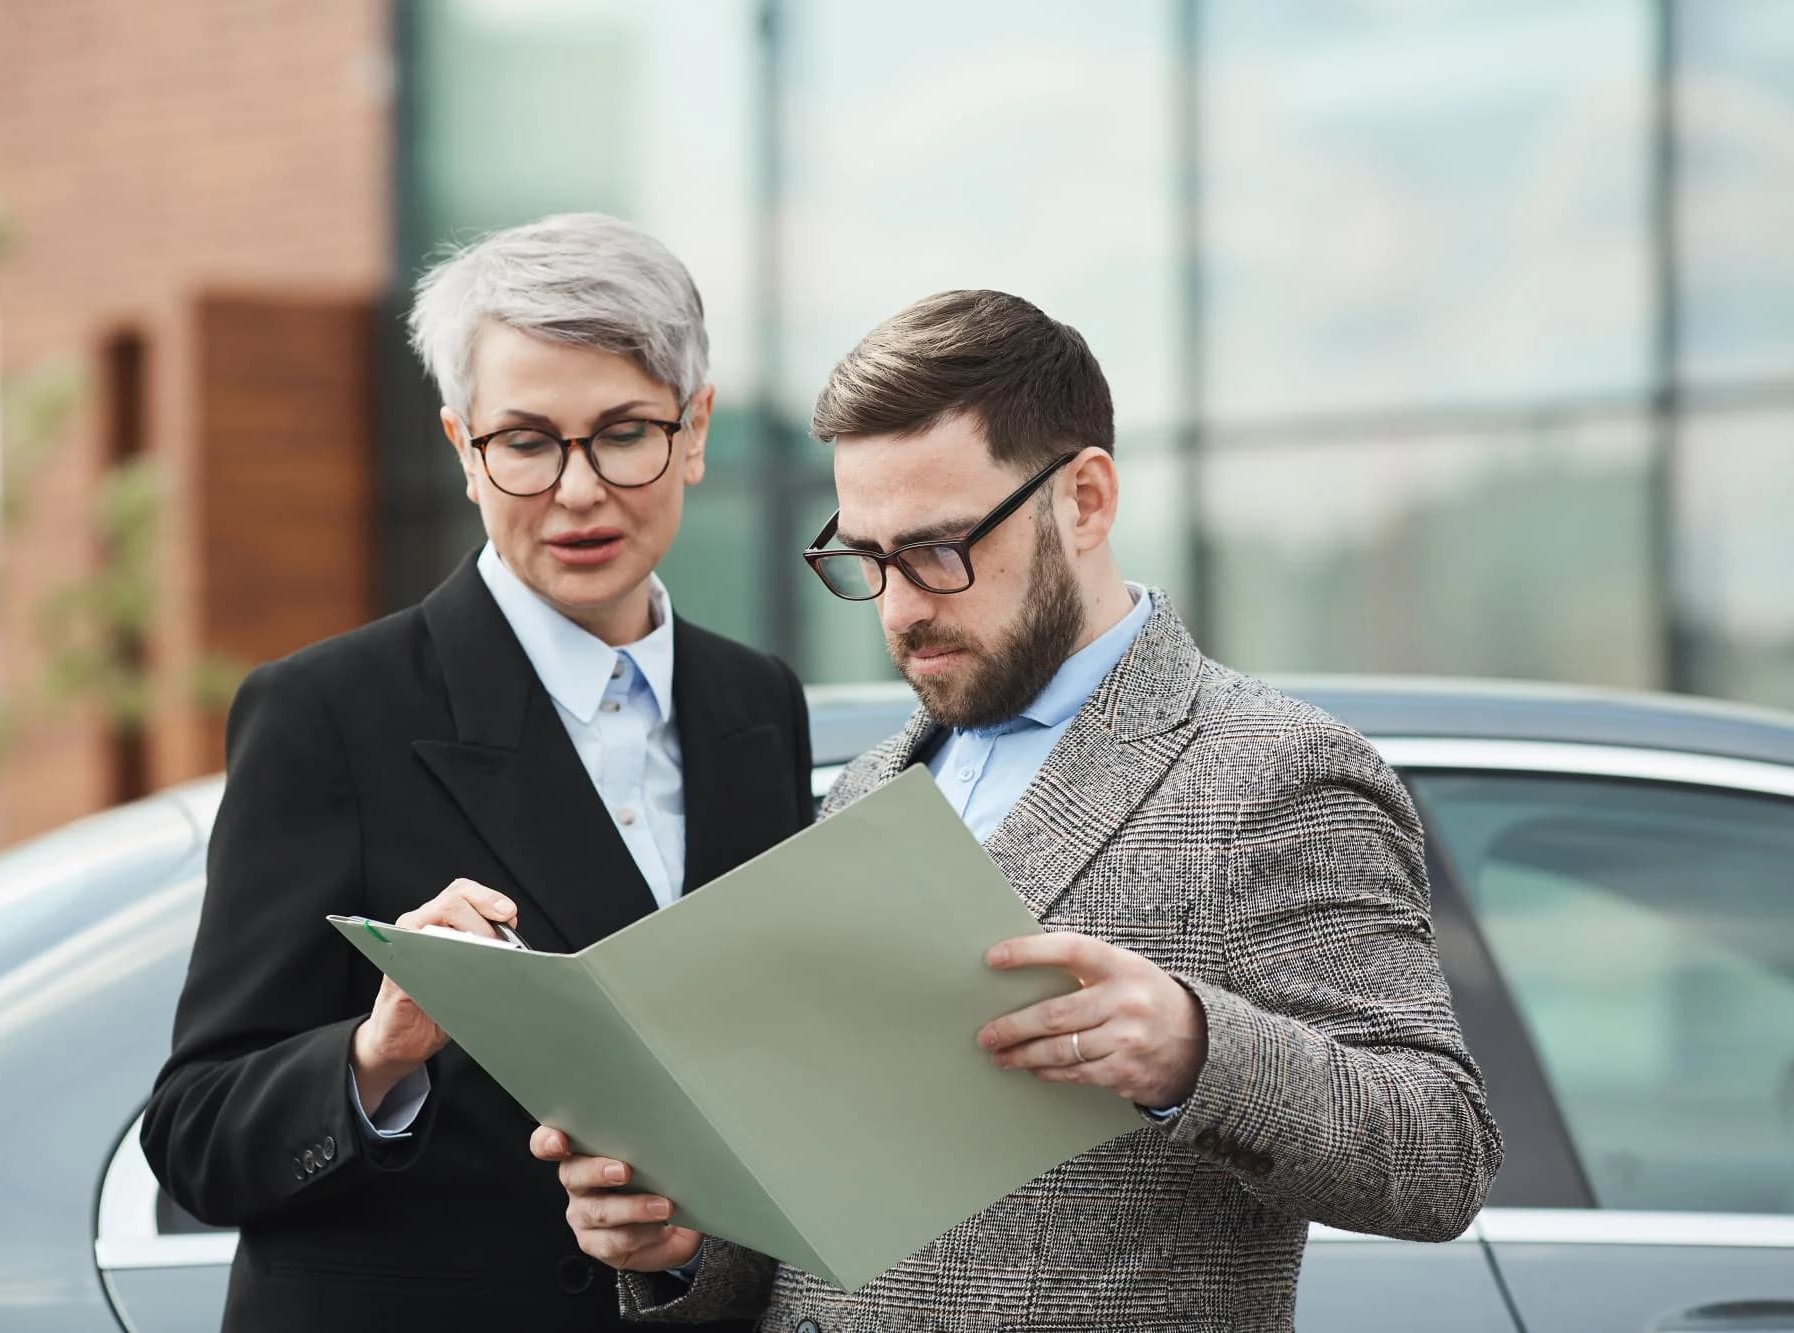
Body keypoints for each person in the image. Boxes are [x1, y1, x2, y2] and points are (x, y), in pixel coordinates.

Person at [536, 289, 1501, 1331]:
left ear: (1084, 499)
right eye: (866, 558)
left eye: (938, 550)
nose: (901, 607)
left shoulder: (1275, 773)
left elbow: (1439, 1152)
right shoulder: (869, 784)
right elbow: (827, 1204)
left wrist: (1194, 1049)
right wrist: (682, 1242)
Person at [141, 213, 808, 1332]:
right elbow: (195, 1133)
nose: (579, 489)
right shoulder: (328, 713)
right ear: (462, 448)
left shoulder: (758, 703)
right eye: (527, 442)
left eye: (624, 433)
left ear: (694, 431)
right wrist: (380, 1050)